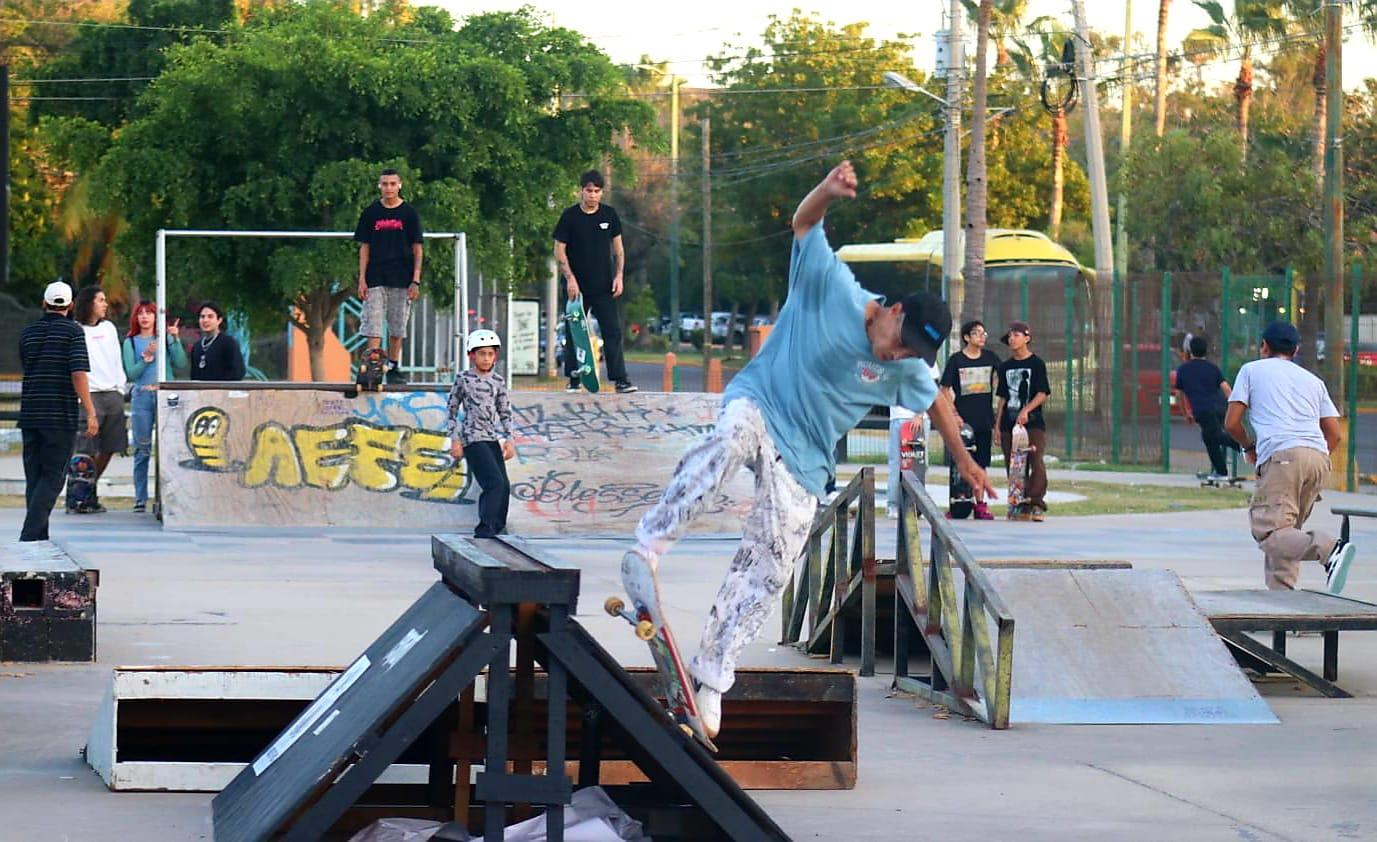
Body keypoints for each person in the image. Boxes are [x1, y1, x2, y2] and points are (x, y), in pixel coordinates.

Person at [621, 161, 995, 738]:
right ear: (893, 311)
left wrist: (964, 461)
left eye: (912, 355)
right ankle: (650, 543)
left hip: (805, 462)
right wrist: (827, 190)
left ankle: (711, 676)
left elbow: (937, 402)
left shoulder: (907, 367)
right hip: (761, 403)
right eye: (900, 343)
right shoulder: (832, 287)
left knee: (773, 566)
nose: (898, 357)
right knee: (728, 439)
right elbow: (804, 224)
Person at [1224, 321, 1356, 594]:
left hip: (1283, 455)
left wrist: (1249, 447)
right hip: (1318, 458)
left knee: (1269, 532)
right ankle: (1284, 602)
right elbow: (1334, 434)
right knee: (1287, 531)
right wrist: (1312, 459)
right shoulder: (1313, 381)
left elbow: (1232, 423)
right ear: (1295, 351)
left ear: (1264, 347)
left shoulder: (1251, 370)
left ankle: (1330, 549)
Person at [19, 281, 98, 540]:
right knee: (53, 477)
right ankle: (29, 535)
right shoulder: (73, 332)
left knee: (35, 478)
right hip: (59, 415)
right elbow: (78, 373)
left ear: (44, 303)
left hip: (30, 413)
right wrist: (90, 411)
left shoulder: (28, 333)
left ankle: (38, 538)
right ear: (71, 305)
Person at [553, 169, 637, 394]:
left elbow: (618, 250)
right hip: (576, 288)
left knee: (612, 331)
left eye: (596, 191)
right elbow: (559, 250)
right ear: (581, 191)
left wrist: (619, 276)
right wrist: (570, 278)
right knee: (574, 332)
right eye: (588, 191)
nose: (592, 195)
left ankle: (620, 379)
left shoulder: (609, 215)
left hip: (603, 286)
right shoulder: (570, 216)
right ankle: (574, 377)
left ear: (602, 193)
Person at [354, 168, 424, 385]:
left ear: (399, 185)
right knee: (373, 325)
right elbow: (364, 247)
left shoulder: (409, 214)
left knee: (397, 326)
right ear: (379, 186)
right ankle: (372, 368)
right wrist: (362, 278)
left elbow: (417, 249)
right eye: (385, 184)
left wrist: (415, 280)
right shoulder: (371, 213)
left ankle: (393, 366)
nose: (389, 188)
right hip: (375, 276)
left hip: (402, 278)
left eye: (393, 184)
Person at [446, 330, 516, 538]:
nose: (486, 358)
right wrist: (455, 439)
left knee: (504, 485)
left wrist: (509, 440)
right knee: (493, 482)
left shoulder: (498, 381)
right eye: (482, 354)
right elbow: (451, 410)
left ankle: (498, 527)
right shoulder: (463, 379)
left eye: (490, 354)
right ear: (471, 356)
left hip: (491, 438)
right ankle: (485, 530)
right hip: (472, 438)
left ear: (495, 356)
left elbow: (505, 411)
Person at [122, 303, 189, 513]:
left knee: (169, 447)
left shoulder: (165, 339)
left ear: (156, 317)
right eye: (140, 313)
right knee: (142, 449)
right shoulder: (131, 342)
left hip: (165, 395)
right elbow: (131, 373)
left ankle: (170, 495)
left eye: (149, 313)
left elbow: (181, 363)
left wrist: (175, 338)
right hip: (142, 395)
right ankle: (140, 498)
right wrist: (145, 357)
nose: (144, 317)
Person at [69, 285, 128, 514]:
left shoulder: (109, 328)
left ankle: (88, 486)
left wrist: (119, 387)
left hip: (112, 392)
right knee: (86, 449)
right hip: (89, 394)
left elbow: (116, 359)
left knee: (111, 446)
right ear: (89, 303)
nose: (105, 304)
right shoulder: (75, 330)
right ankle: (79, 496)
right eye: (100, 300)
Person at [940, 319, 1001, 520]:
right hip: (963, 422)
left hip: (984, 419)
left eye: (984, 333)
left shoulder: (991, 358)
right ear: (966, 337)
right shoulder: (956, 360)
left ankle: (980, 504)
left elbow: (1003, 377)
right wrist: (954, 414)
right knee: (960, 463)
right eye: (976, 333)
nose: (981, 337)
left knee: (981, 464)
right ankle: (958, 503)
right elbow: (945, 389)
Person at [995, 320, 1051, 521]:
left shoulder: (1037, 364)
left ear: (1027, 338)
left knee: (1036, 461)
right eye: (1010, 336)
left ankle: (1036, 503)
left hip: (1033, 423)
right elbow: (1002, 398)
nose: (1012, 339)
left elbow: (1042, 393)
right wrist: (997, 426)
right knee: (1015, 466)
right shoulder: (1005, 367)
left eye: (1016, 335)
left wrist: (1026, 410)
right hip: (1009, 423)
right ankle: (1019, 503)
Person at [1174, 335, 1242, 479]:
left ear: (1190, 351)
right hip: (1221, 407)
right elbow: (1226, 389)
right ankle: (1220, 471)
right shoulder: (1212, 368)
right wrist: (1234, 405)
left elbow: (1179, 394)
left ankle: (1244, 446)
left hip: (1203, 410)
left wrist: (1185, 413)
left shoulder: (1183, 370)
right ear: (1206, 351)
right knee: (1209, 438)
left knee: (1216, 436)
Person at [189, 301, 246, 381]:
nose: (205, 320)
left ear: (219, 320)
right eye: (202, 317)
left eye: (210, 316)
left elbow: (238, 373)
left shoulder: (228, 343)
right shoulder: (197, 347)